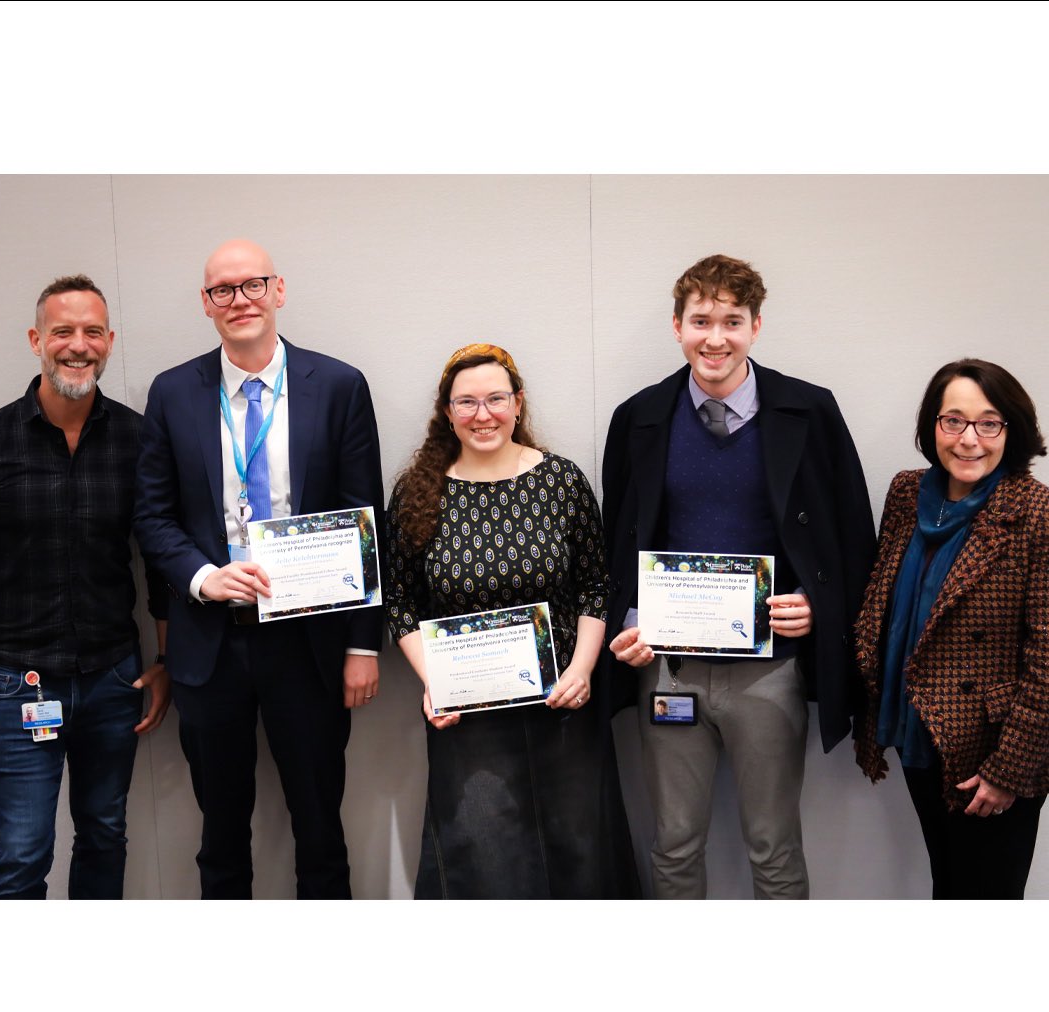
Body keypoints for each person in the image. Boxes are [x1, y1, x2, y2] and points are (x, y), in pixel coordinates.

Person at [602, 254, 876, 899]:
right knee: (673, 844)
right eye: (701, 321)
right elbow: (622, 544)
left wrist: (817, 603)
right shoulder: (638, 417)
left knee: (773, 846)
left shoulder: (810, 410)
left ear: (756, 326)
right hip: (668, 670)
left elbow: (851, 537)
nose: (715, 338)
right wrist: (631, 621)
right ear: (677, 327)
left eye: (732, 320)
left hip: (770, 670)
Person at [133, 239, 384, 899]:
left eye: (252, 285)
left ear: (278, 289)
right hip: (209, 643)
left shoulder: (337, 386)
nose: (238, 300)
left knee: (320, 824)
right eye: (223, 289)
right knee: (219, 831)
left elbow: (366, 517)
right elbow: (152, 517)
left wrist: (363, 643)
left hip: (310, 641)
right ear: (206, 304)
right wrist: (201, 576)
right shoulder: (172, 393)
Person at [386, 343, 638, 899]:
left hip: (564, 705)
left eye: (496, 399)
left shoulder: (561, 482)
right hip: (468, 715)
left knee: (579, 850)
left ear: (518, 404)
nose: (483, 414)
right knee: (484, 856)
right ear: (447, 411)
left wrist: (582, 670)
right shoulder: (416, 492)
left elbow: (596, 584)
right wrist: (435, 683)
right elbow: (400, 601)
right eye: (467, 402)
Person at [0, 274, 170, 900]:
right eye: (62, 331)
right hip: (18, 684)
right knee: (24, 854)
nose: (76, 345)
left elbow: (160, 561)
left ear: (109, 342)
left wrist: (164, 658)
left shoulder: (140, 441)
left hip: (114, 680)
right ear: (37, 339)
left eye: (91, 332)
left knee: (105, 836)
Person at [854, 359, 1049, 899]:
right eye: (953, 421)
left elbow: (1047, 661)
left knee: (987, 899)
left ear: (1013, 431)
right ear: (931, 426)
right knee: (950, 886)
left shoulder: (1036, 512)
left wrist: (1007, 769)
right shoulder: (906, 493)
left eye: (989, 423)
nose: (969, 439)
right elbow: (883, 602)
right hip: (920, 730)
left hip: (990, 749)